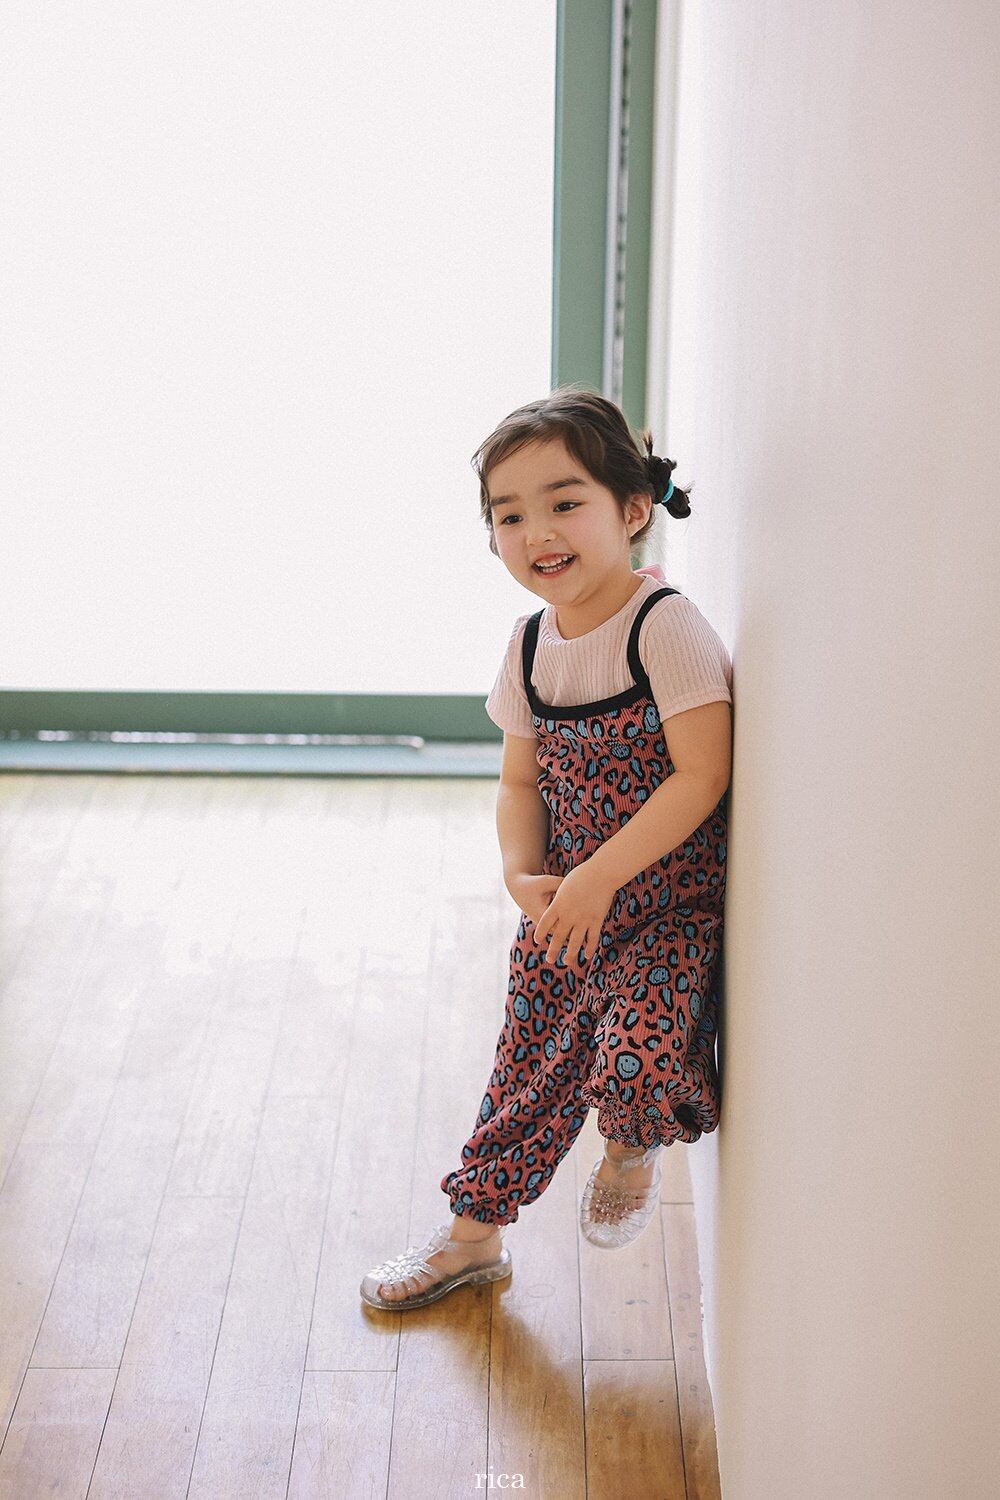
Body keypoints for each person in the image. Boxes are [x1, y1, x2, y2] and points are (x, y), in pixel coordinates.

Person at [360, 387, 732, 1311]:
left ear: (633, 509)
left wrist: (603, 877)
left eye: (565, 502)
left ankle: (631, 1143)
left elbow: (702, 775)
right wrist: (521, 874)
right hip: (567, 909)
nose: (538, 533)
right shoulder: (528, 647)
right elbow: (520, 783)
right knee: (526, 1073)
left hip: (664, 906)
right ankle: (471, 1238)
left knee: (637, 1054)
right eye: (509, 515)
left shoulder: (664, 626)